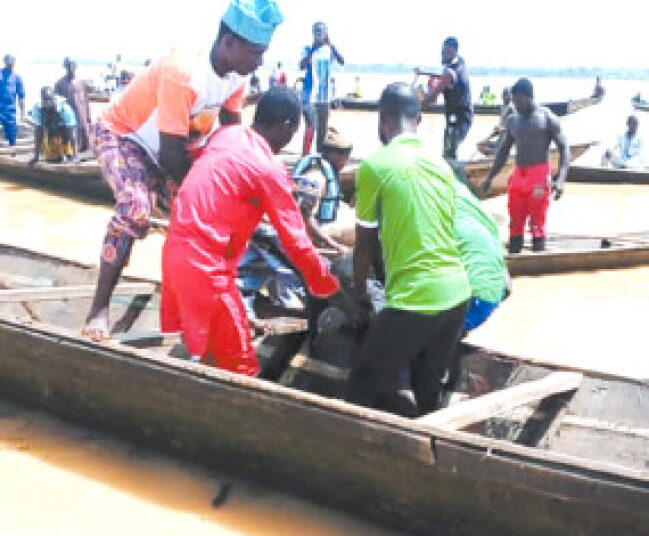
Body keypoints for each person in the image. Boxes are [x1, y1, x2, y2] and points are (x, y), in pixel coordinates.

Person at [83, 0, 283, 342]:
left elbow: (232, 135)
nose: (260, 62)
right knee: (136, 210)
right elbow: (172, 157)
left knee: (208, 226)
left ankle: (217, 307)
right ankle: (99, 310)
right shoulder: (184, 73)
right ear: (229, 42)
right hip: (123, 137)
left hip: (172, 147)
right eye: (255, 52)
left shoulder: (237, 77)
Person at [161, 86, 341, 375]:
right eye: (293, 132)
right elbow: (296, 242)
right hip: (206, 269)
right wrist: (330, 288)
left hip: (176, 254)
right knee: (241, 366)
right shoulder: (268, 168)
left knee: (212, 354)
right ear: (286, 126)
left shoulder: (226, 135)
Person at [348, 82, 470, 417]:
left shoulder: (375, 165)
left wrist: (359, 295)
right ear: (418, 120)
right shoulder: (442, 166)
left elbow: (365, 245)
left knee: (361, 383)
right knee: (427, 391)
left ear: (383, 119)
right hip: (458, 295)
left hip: (417, 300)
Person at [481, 78, 569, 254]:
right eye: (513, 100)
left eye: (518, 100)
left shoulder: (547, 118)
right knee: (515, 222)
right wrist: (489, 177)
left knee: (537, 223)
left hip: (539, 175)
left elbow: (564, 149)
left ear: (529, 97)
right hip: (519, 176)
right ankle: (515, 262)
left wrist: (560, 180)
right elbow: (503, 151)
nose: (515, 104)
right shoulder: (513, 120)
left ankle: (537, 262)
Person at [419, 37, 472, 163]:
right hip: (455, 117)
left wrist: (418, 106)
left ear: (453, 51)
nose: (441, 55)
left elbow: (432, 97)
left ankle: (454, 178)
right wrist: (426, 75)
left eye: (444, 52)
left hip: (460, 118)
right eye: (441, 51)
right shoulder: (458, 65)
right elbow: (439, 82)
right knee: (447, 153)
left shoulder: (453, 71)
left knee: (448, 155)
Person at [299, 21, 344, 155]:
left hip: (325, 96)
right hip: (309, 95)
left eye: (322, 31)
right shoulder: (307, 48)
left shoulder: (329, 50)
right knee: (310, 127)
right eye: (317, 31)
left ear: (326, 33)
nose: (319, 34)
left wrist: (331, 44)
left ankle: (320, 155)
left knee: (322, 129)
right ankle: (305, 156)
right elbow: (302, 65)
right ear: (313, 33)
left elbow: (342, 61)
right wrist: (313, 49)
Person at [29, 87, 78, 164]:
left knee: (70, 155)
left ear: (54, 98)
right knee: (52, 160)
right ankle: (54, 153)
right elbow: (38, 132)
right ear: (42, 99)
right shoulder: (37, 108)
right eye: (45, 100)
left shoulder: (64, 108)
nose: (48, 102)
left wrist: (76, 156)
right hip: (51, 134)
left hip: (65, 135)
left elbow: (72, 132)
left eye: (50, 99)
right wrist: (36, 156)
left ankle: (70, 154)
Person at [55, 58, 92, 152]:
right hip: (68, 111)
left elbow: (86, 99)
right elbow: (57, 100)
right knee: (71, 131)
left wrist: (88, 115)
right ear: (66, 68)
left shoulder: (81, 82)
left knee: (84, 129)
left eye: (72, 66)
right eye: (68, 67)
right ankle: (73, 151)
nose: (71, 69)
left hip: (81, 111)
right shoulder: (60, 83)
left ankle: (86, 150)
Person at [0, 55, 25, 150]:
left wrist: (23, 113)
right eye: (8, 61)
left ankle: (12, 153)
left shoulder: (17, 78)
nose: (10, 63)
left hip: (10, 111)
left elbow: (21, 96)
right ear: (4, 61)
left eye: (12, 61)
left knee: (11, 134)